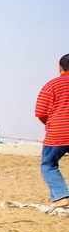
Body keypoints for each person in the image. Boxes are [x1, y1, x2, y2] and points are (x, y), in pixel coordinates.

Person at [35, 53, 69, 210]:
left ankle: (61, 196)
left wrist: (51, 124)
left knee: (48, 164)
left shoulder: (52, 85)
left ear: (60, 68)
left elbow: (41, 112)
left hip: (58, 133)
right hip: (58, 130)